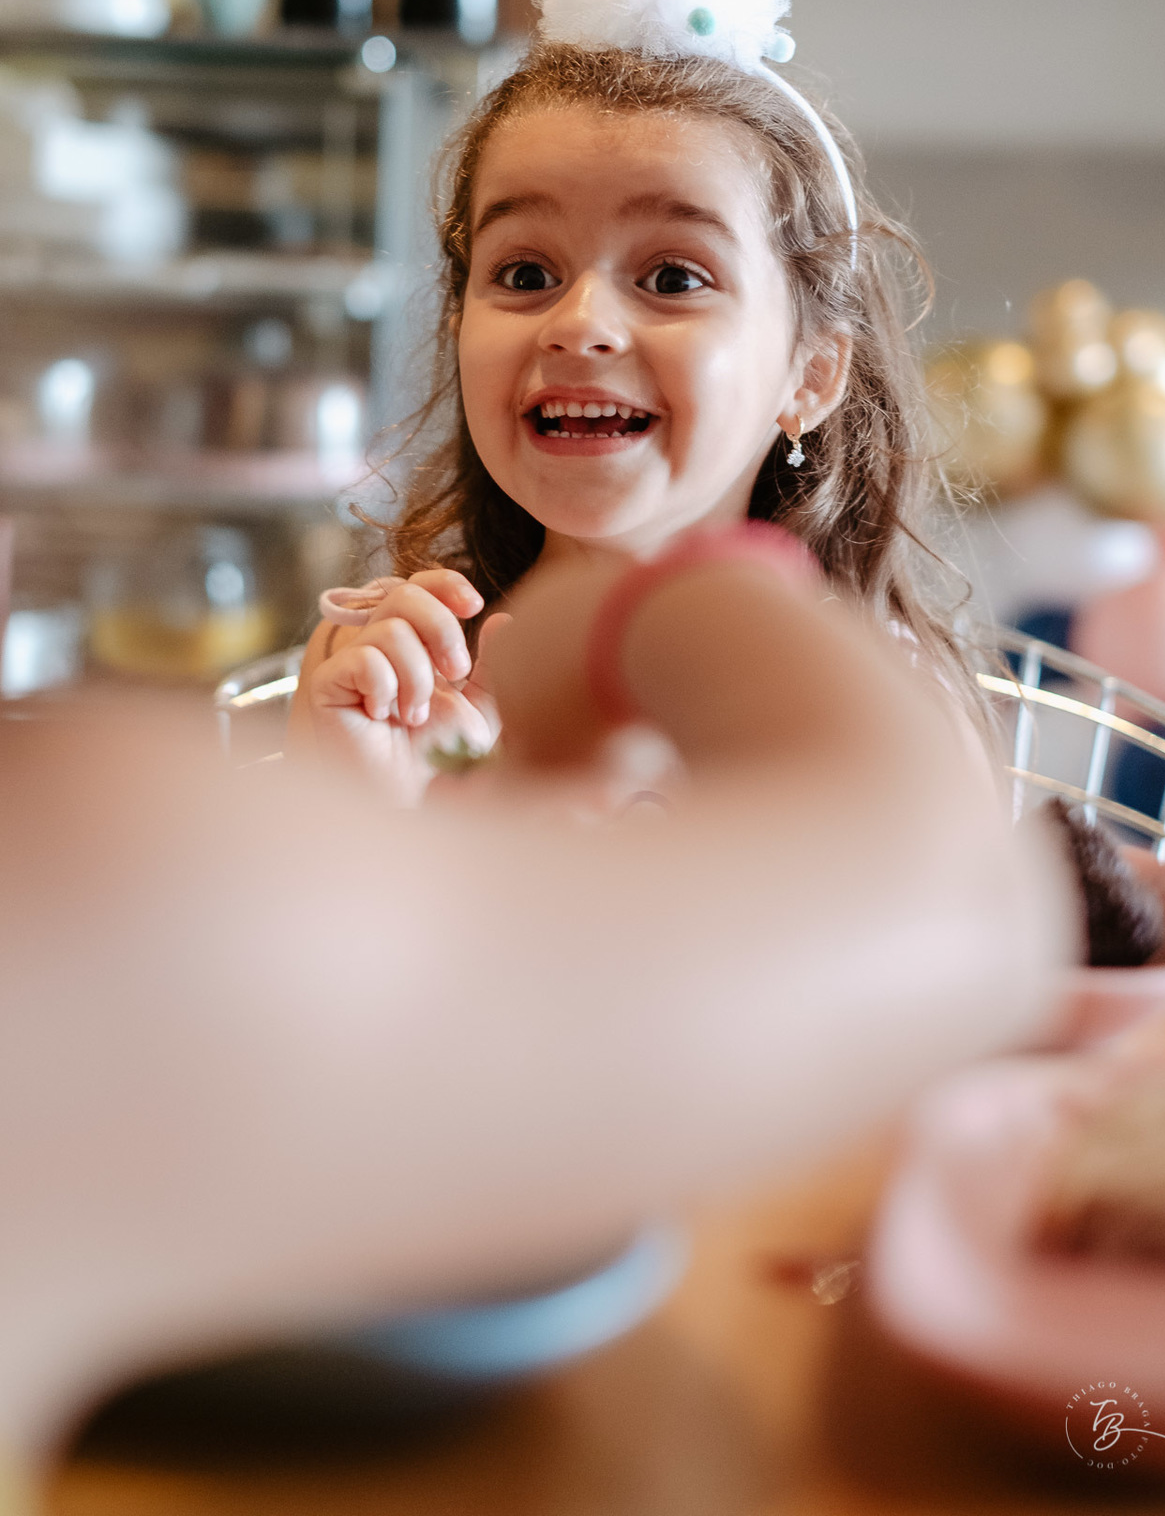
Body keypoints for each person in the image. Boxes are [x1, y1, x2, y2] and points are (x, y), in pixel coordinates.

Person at [0, 541, 1071, 1500]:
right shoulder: (88, 885)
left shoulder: (77, 894)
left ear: (809, 395)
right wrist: (639, 613)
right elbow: (963, 908)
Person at [286, 0, 968, 806]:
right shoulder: (399, 684)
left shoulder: (875, 713)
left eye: (674, 279)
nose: (580, 324)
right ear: (457, 328)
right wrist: (364, 802)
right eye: (526, 273)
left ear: (811, 375)